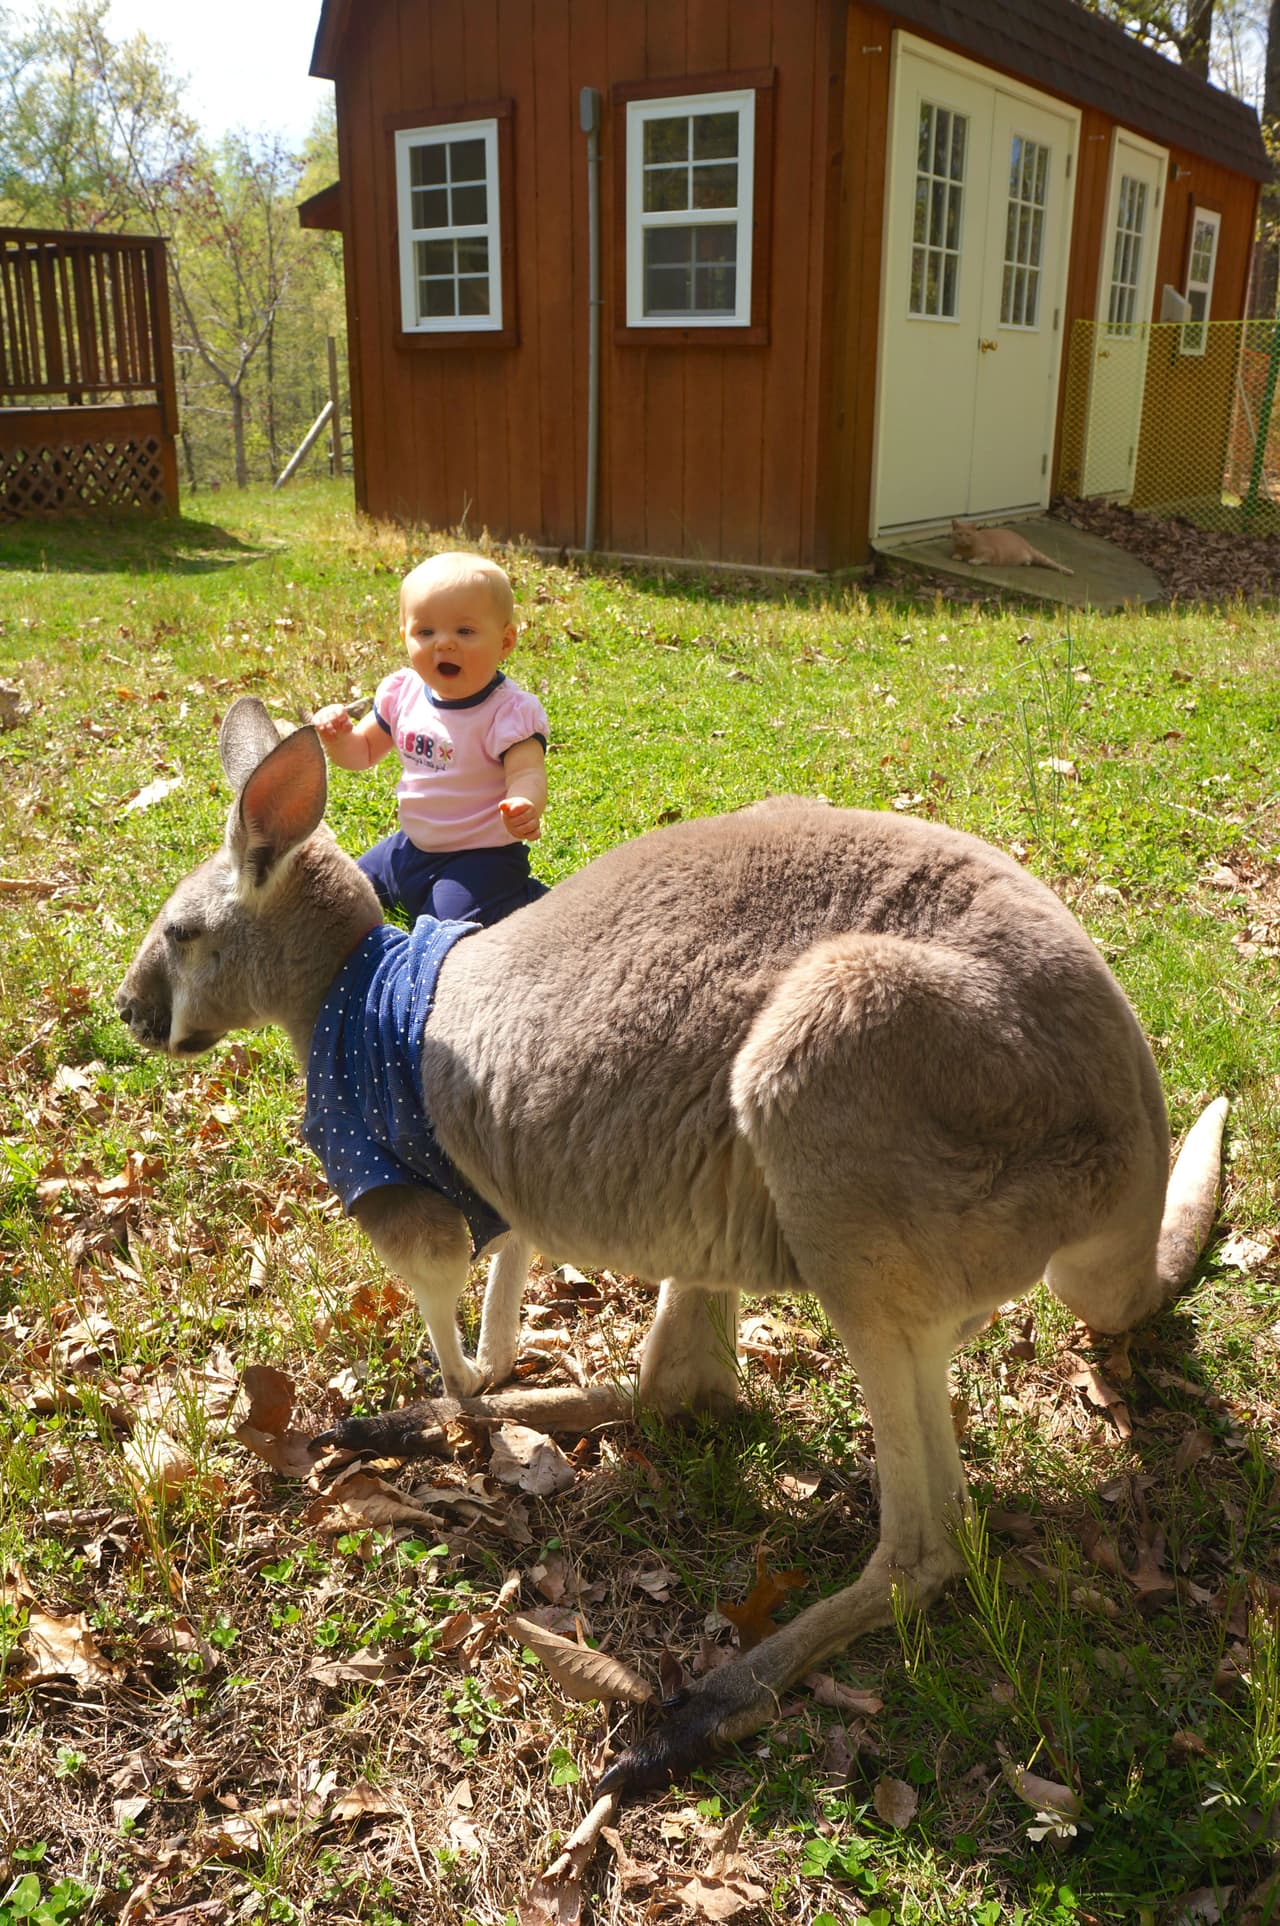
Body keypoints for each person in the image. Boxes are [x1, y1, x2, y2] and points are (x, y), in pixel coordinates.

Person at [312, 551, 549, 927]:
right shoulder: (403, 693)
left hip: (479, 859)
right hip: (408, 847)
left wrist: (524, 802)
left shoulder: (508, 713)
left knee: (446, 931)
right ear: (405, 636)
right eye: (426, 632)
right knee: (344, 893)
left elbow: (528, 773)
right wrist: (339, 738)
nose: (444, 644)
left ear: (505, 642)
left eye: (465, 631)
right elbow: (363, 752)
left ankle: (525, 899)